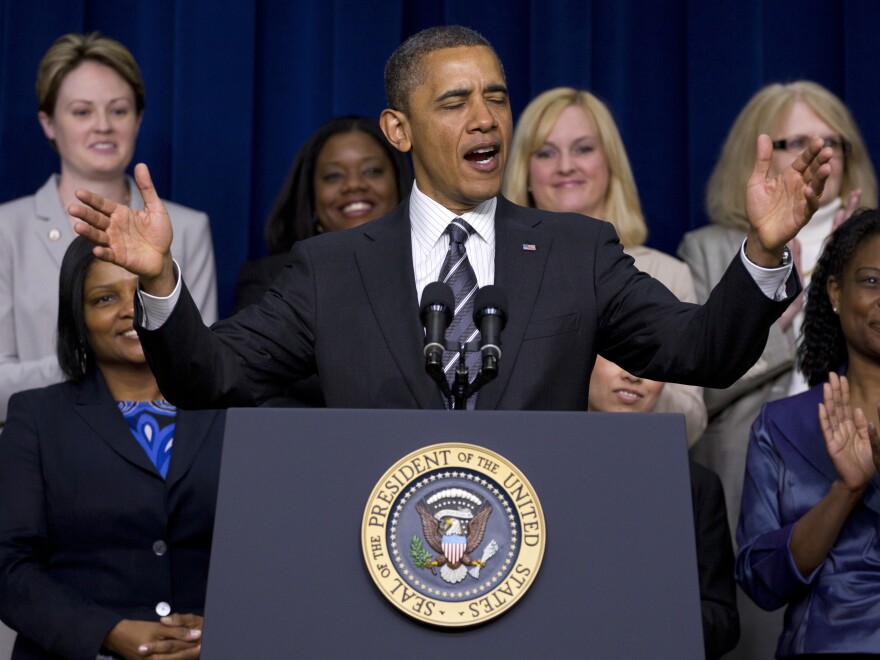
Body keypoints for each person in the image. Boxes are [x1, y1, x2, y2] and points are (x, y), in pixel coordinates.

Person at [69, 26, 828, 415]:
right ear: (398, 131)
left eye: (495, 97)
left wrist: (763, 251)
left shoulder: (575, 251)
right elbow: (210, 377)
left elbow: (702, 351)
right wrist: (162, 282)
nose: (485, 118)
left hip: (539, 562)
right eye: (455, 102)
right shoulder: (332, 268)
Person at [0, 236, 224, 659]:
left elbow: (275, 552)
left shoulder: (238, 410)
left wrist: (226, 627)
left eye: (143, 292)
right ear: (79, 319)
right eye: (105, 298)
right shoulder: (36, 417)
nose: (131, 310)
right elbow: (8, 566)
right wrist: (107, 632)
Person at [678, 81, 878, 530]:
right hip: (748, 465)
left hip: (865, 455)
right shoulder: (708, 250)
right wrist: (778, 323)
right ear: (759, 156)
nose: (821, 154)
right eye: (800, 143)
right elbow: (696, 390)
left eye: (832, 143)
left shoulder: (875, 247)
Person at [0, 32, 218, 428]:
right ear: (48, 123)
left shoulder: (187, 227)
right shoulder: (5, 230)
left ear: (139, 119)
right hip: (36, 444)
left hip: (162, 446)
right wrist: (93, 360)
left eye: (118, 111)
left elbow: (201, 369)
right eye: (82, 112)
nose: (103, 126)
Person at [503, 87, 706, 446]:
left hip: (635, 471)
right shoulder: (497, 268)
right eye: (547, 153)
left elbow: (691, 426)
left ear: (609, 161)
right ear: (524, 171)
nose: (566, 165)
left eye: (583, 148)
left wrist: (641, 383)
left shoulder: (666, 272)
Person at [736, 208, 880, 656]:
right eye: (872, 281)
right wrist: (845, 491)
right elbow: (761, 581)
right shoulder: (781, 426)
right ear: (835, 292)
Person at [588, 356, 739, 659]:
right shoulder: (540, 473)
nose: (633, 375)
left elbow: (722, 620)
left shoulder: (697, 485)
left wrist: (645, 622)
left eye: (648, 359)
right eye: (615, 357)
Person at [235, 115, 413, 311]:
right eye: (333, 176)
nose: (353, 185)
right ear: (311, 197)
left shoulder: (433, 267)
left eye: (372, 171)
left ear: (399, 182)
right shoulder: (270, 280)